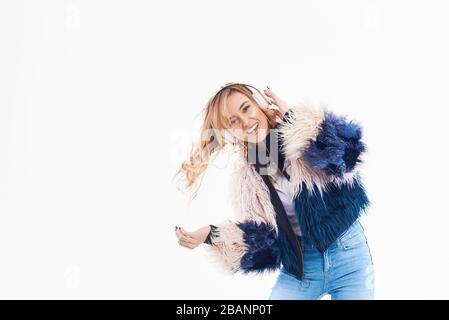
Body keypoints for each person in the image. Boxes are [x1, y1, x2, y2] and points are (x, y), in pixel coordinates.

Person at [174, 82, 374, 300]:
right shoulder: (246, 181)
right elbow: (265, 244)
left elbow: (347, 155)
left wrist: (294, 119)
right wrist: (211, 235)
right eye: (233, 121)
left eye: (246, 108)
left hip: (349, 256)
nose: (245, 122)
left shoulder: (303, 138)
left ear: (260, 104)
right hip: (302, 269)